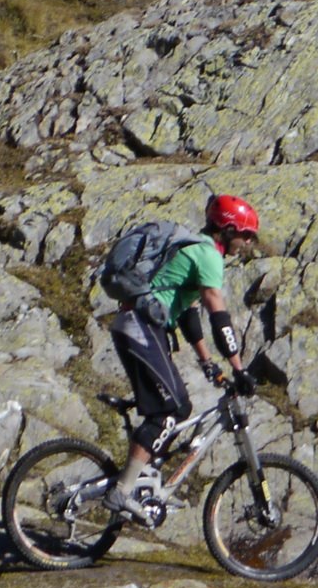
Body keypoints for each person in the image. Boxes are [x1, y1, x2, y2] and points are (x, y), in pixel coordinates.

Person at [107, 193, 260, 522]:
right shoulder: (208, 255)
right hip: (140, 327)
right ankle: (122, 491)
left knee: (181, 408)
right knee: (168, 411)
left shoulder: (195, 249)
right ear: (228, 229)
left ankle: (144, 484)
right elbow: (218, 317)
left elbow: (190, 316)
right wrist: (239, 368)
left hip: (141, 326)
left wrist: (208, 363)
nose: (248, 243)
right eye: (246, 235)